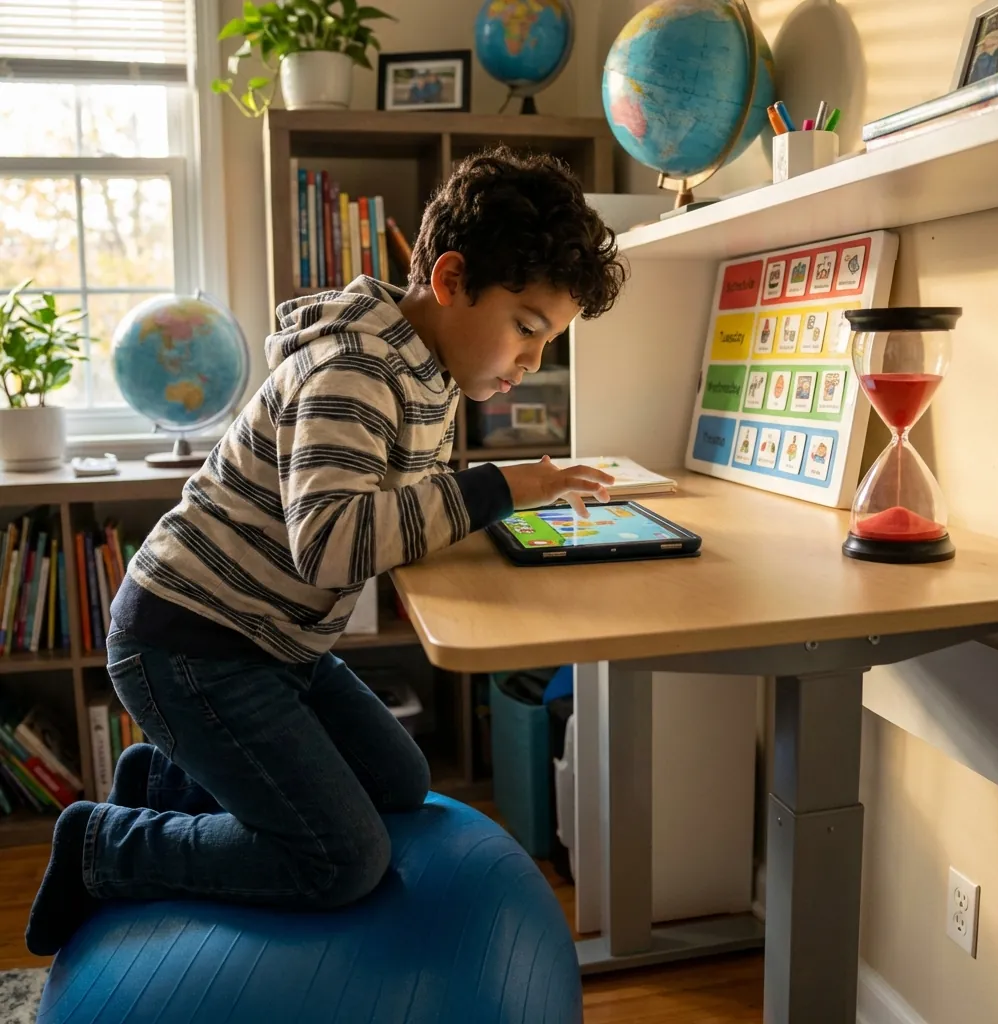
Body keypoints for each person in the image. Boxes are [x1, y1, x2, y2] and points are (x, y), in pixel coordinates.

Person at [26, 146, 627, 955]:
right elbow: (335, 544)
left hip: (273, 642)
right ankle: (104, 847)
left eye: (547, 339)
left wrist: (495, 505)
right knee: (340, 861)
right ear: (450, 281)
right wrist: (499, 488)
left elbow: (399, 501)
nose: (533, 360)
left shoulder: (427, 372)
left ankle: (161, 784)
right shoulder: (355, 371)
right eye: (526, 329)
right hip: (193, 644)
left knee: (402, 782)